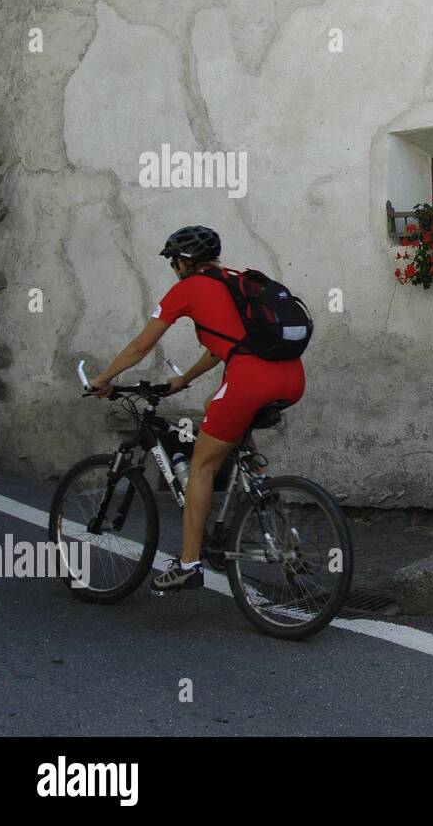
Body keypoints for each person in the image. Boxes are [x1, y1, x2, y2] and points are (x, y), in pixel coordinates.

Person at [88, 226, 306, 592]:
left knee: (202, 467)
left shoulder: (187, 289)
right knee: (214, 407)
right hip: (291, 377)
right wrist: (184, 379)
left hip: (249, 382)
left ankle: (188, 564)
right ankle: (254, 473)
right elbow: (228, 344)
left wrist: (103, 378)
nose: (173, 267)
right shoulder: (238, 281)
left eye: (173, 261)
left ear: (181, 262)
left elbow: (141, 346)